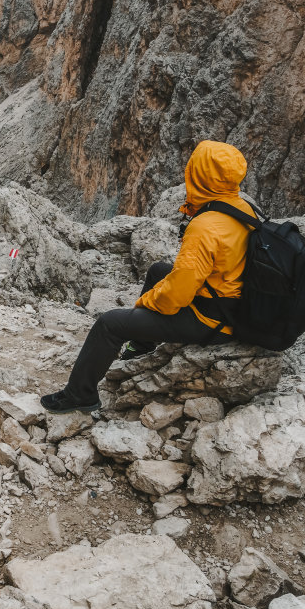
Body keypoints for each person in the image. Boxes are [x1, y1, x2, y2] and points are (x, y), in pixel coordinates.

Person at [42, 140, 257, 414]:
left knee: (110, 324)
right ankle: (141, 348)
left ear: (200, 175)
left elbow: (176, 296)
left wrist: (148, 302)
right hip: (234, 303)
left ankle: (79, 395)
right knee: (158, 270)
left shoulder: (206, 226)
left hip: (212, 320)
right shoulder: (242, 208)